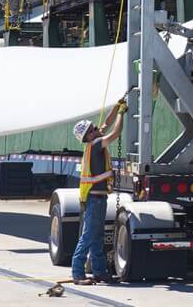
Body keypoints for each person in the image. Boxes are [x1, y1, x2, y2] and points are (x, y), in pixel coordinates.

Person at [70, 100, 126, 286]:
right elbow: (115, 133)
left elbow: (106, 124)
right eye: (94, 128)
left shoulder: (93, 141)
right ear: (89, 134)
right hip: (94, 198)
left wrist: (117, 106)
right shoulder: (96, 144)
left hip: (98, 197)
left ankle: (100, 272)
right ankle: (78, 273)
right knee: (88, 236)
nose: (97, 128)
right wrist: (122, 114)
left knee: (97, 237)